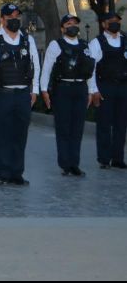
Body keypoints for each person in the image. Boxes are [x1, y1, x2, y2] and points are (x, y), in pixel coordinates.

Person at [0, 3, 40, 186]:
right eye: (10, 17)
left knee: (20, 134)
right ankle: (3, 172)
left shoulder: (27, 40)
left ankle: (17, 173)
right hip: (2, 94)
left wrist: (35, 90)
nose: (15, 20)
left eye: (17, 17)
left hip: (23, 94)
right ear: (2, 19)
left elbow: (35, 65)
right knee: (1, 135)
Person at [40, 14, 96, 177]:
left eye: (75, 24)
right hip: (63, 88)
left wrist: (91, 90)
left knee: (77, 128)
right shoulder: (56, 45)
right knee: (64, 127)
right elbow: (47, 68)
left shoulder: (85, 45)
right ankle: (65, 164)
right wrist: (44, 90)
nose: (73, 26)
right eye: (69, 24)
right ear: (63, 28)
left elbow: (91, 70)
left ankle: (74, 164)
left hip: (80, 88)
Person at [88, 12, 127, 170]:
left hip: (123, 87)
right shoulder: (97, 42)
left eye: (117, 21)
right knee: (104, 124)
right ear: (104, 24)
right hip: (105, 87)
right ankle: (104, 159)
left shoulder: (125, 41)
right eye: (111, 21)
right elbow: (91, 69)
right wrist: (94, 90)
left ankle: (118, 158)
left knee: (121, 124)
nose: (115, 24)